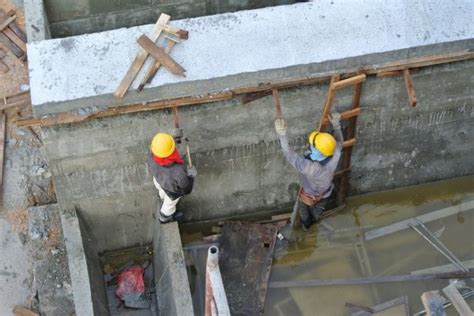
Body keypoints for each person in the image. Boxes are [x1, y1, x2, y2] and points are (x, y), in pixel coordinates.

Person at [274, 113, 343, 231]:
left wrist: (282, 134)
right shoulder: (335, 153)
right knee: (317, 213)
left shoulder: (310, 167)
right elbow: (339, 142)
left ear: (317, 151)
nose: (310, 145)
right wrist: (336, 124)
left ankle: (306, 227)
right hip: (325, 194)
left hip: (308, 195)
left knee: (304, 213)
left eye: (313, 146)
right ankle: (313, 222)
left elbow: (288, 153)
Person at [147, 130, 197, 223]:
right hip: (171, 190)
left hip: (158, 181)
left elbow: (162, 149)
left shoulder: (151, 156)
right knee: (169, 205)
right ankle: (165, 217)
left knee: (162, 192)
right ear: (172, 151)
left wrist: (171, 140)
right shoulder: (177, 171)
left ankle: (162, 199)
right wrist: (191, 176)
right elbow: (186, 189)